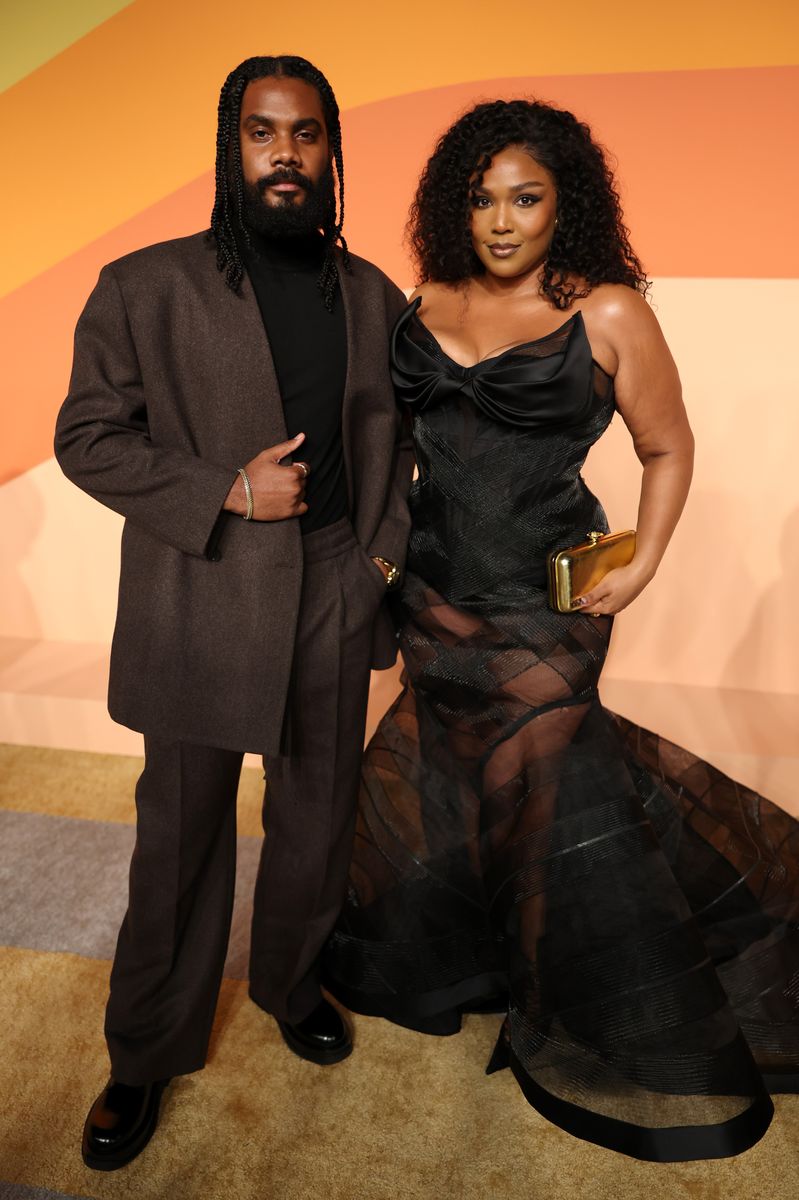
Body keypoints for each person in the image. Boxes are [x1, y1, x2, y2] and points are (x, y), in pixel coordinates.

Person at [323, 99, 799, 1162]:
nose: (500, 222)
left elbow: (669, 449)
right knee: (451, 776)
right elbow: (391, 457)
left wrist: (643, 567)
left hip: (547, 611)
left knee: (541, 784)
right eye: (481, 199)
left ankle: (562, 997)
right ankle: (476, 962)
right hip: (434, 601)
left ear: (563, 203)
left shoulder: (610, 312)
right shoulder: (422, 300)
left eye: (525, 198)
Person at [55, 54, 412, 1171]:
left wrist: (379, 570)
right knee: (180, 836)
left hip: (333, 589)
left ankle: (292, 983)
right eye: (264, 133)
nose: (286, 154)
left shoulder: (370, 297)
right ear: (231, 148)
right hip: (203, 593)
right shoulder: (141, 286)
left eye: (306, 135)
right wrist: (224, 490)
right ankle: (145, 1048)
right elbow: (87, 437)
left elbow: (404, 453)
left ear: (330, 153)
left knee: (316, 822)